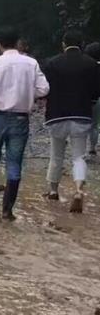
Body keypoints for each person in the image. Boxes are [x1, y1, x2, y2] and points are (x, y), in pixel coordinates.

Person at [0, 27, 50, 220]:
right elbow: (44, 89)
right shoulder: (31, 63)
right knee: (14, 163)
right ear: (17, 42)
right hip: (21, 118)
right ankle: (7, 210)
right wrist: (27, 93)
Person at [42, 31, 100, 213]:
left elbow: (45, 89)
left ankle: (52, 191)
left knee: (56, 155)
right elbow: (96, 91)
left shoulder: (52, 63)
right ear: (81, 44)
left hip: (56, 115)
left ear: (63, 44)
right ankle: (78, 190)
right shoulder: (91, 64)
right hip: (81, 115)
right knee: (78, 156)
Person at [85, 41, 100, 155]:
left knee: (83, 124)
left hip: (85, 98)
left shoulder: (87, 66)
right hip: (98, 99)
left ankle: (82, 150)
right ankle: (92, 147)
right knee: (94, 125)